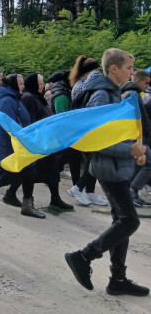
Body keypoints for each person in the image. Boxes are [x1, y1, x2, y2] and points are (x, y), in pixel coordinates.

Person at [65, 48, 149, 297]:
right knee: (130, 221)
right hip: (107, 168)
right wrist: (129, 150)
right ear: (114, 68)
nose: (132, 73)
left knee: (120, 222)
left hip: (117, 166)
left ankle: (117, 279)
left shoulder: (114, 91)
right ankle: (84, 256)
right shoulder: (101, 94)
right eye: (129, 68)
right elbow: (95, 139)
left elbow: (115, 133)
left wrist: (134, 151)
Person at [0, 73, 46, 219]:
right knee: (9, 175)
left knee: (28, 172)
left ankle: (24, 203)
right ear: (13, 85)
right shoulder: (7, 100)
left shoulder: (14, 98)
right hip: (10, 144)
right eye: (20, 83)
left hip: (19, 143)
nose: (23, 86)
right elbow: (8, 125)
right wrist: (22, 139)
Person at [21, 73, 74, 211]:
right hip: (38, 140)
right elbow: (30, 120)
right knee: (29, 173)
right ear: (33, 84)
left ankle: (55, 198)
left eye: (42, 83)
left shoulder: (37, 96)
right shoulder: (28, 97)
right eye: (39, 83)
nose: (42, 86)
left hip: (47, 139)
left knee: (52, 169)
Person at [66, 56, 109, 207]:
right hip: (85, 128)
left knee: (93, 159)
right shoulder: (83, 86)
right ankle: (78, 188)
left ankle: (89, 191)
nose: (98, 73)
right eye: (96, 70)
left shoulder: (85, 84)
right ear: (90, 71)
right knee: (93, 160)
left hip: (85, 128)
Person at [120, 69, 151, 207]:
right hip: (137, 137)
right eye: (146, 83)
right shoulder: (133, 95)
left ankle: (130, 193)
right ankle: (132, 191)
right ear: (138, 81)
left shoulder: (130, 93)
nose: (147, 86)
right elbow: (140, 118)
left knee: (137, 165)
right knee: (148, 164)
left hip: (136, 136)